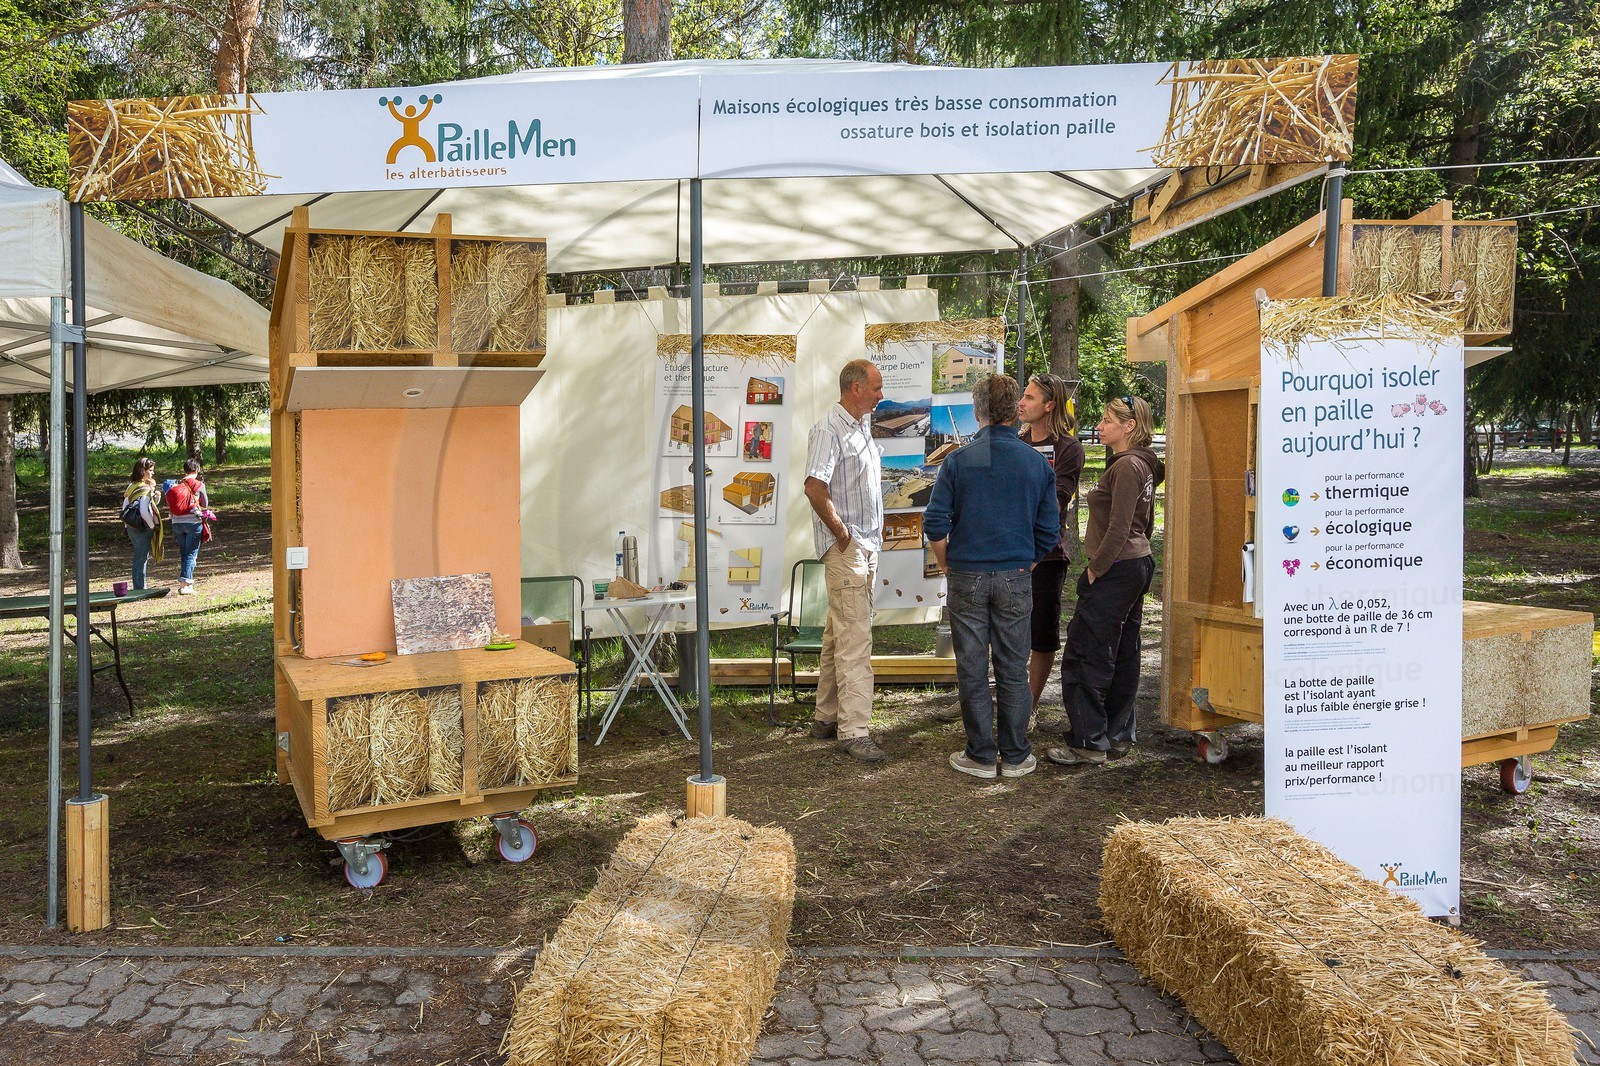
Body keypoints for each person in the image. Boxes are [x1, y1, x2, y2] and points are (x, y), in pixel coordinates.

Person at [924, 375, 1058, 780]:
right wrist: (1028, 562)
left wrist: (946, 565)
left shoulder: (958, 460)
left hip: (968, 573)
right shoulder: (1036, 462)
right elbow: (1049, 530)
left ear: (977, 410)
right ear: (1014, 409)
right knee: (1013, 667)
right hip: (1016, 573)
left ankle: (981, 755)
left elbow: (935, 523)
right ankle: (1015, 754)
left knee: (972, 667)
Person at [1048, 396, 1165, 767]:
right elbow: (1145, 521)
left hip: (1118, 567)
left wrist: (1095, 569)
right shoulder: (1140, 463)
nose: (1099, 426)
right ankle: (1116, 734)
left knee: (1086, 652)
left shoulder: (1128, 465)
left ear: (1129, 426)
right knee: (1123, 650)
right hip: (1135, 564)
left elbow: (1120, 526)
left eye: (1107, 420)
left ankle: (1089, 741)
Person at [804, 358, 887, 762]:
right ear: (856, 388)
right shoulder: (829, 428)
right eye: (876, 387)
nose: (881, 395)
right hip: (849, 547)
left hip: (865, 545)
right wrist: (841, 533)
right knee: (855, 637)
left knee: (840, 633)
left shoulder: (861, 425)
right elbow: (814, 487)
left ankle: (827, 716)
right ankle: (854, 730)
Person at [1017, 373, 1086, 720]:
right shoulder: (1016, 441)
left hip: (1046, 554)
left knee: (1041, 633)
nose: (1021, 403)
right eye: (1023, 395)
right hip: (1008, 552)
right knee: (1005, 630)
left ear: (1049, 405)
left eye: (1029, 398)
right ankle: (1003, 699)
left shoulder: (1068, 448)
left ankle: (1028, 708)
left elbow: (1058, 501)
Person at [166, 458, 210, 595]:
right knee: (191, 554)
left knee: (184, 553)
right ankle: (185, 585)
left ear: (185, 470)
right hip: (193, 523)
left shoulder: (175, 484)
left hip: (176, 522)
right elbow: (205, 504)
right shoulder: (199, 484)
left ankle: (186, 583)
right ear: (197, 470)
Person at [121, 457, 164, 590]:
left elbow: (125, 507)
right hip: (142, 527)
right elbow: (144, 511)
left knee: (139, 556)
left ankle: (139, 586)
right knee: (140, 558)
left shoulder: (131, 486)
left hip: (131, 526)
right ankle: (139, 588)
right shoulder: (145, 488)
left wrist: (126, 526)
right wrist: (152, 526)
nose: (152, 473)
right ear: (142, 471)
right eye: (150, 470)